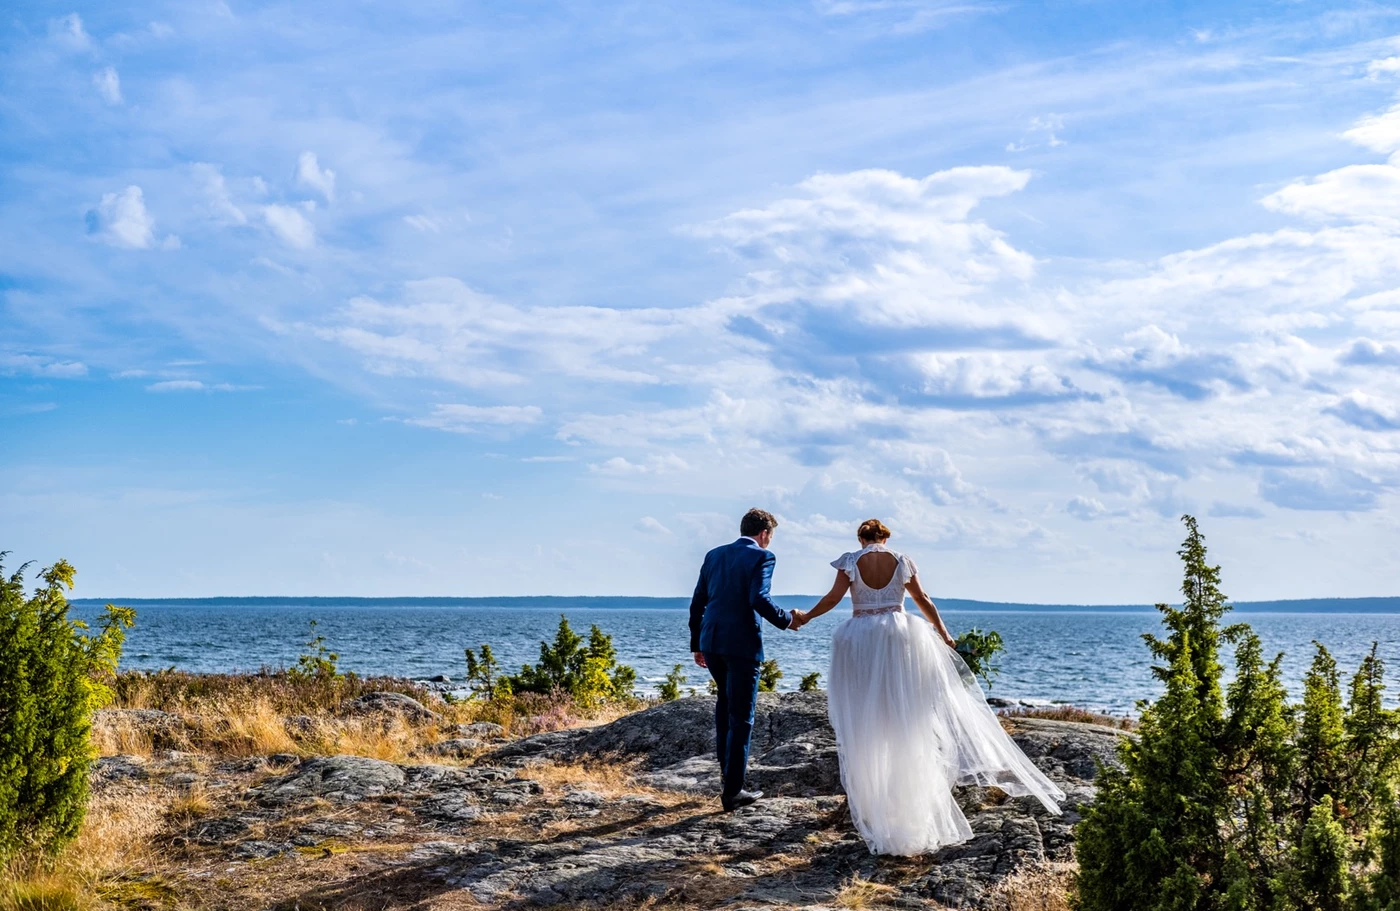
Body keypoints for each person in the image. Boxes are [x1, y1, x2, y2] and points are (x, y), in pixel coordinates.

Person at [790, 518, 1064, 855]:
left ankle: (875, 802)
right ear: (885, 538)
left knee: (867, 717)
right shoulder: (902, 560)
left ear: (862, 538)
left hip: (861, 638)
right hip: (900, 636)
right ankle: (911, 803)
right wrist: (945, 635)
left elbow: (833, 599)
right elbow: (923, 600)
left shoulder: (851, 560)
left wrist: (805, 616)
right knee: (908, 715)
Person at [688, 507, 793, 811]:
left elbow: (698, 603)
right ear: (764, 534)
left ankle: (726, 776)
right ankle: (733, 791)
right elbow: (758, 599)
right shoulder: (762, 556)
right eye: (770, 536)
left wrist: (697, 643)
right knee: (742, 717)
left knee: (725, 706)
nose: (769, 541)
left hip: (712, 640)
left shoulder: (714, 555)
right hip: (742, 645)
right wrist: (786, 620)